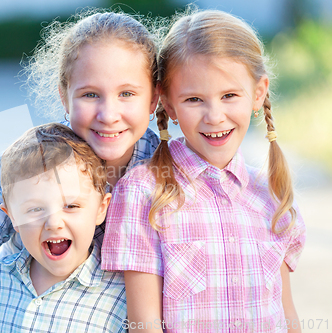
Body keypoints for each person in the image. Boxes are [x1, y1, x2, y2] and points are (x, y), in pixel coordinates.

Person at [0, 9, 164, 333]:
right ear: (64, 96)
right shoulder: (26, 165)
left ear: (154, 98)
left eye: (127, 93)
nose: (109, 114)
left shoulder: (168, 175)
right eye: (90, 94)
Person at [101, 8, 306, 333]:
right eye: (195, 99)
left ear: (258, 93)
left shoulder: (271, 194)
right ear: (169, 105)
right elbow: (144, 324)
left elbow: (286, 312)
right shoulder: (144, 192)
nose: (214, 116)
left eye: (229, 96)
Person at [0, 123, 126, 332]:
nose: (53, 223)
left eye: (71, 206)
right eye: (35, 209)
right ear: (13, 217)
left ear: (100, 209)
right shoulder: (2, 276)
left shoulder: (120, 297)